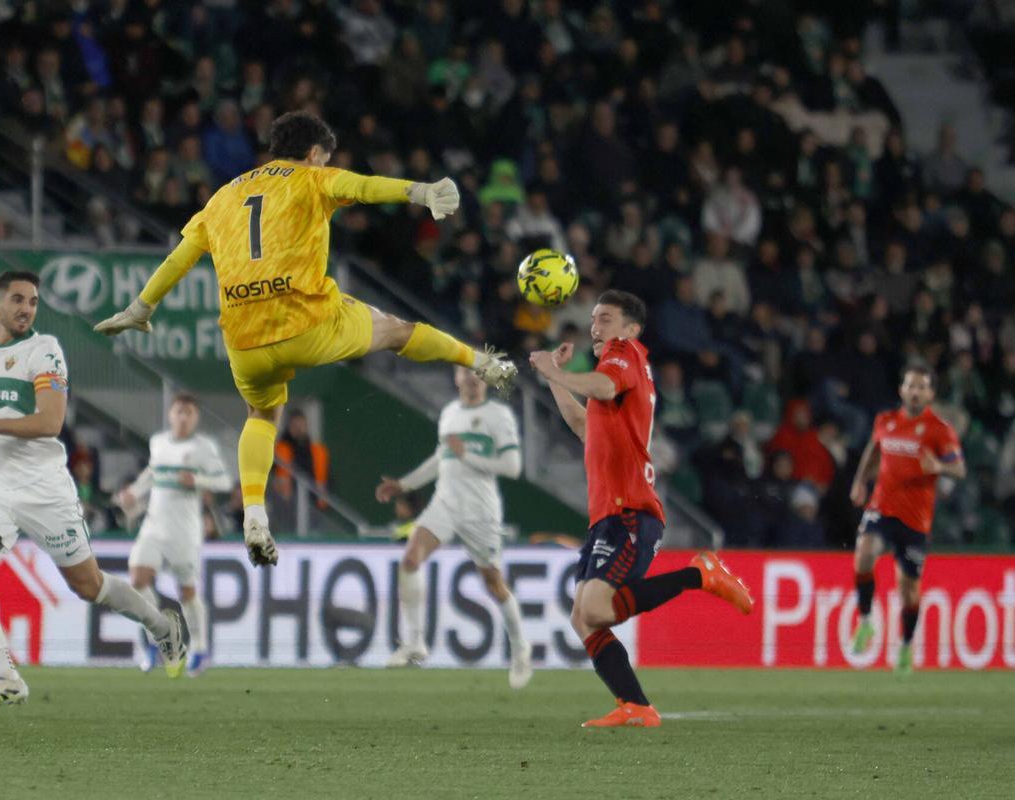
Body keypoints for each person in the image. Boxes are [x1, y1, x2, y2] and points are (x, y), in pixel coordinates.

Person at [94, 110, 517, 569]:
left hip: (245, 340)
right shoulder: (312, 179)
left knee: (262, 414)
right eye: (325, 159)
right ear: (314, 154)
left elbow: (179, 258)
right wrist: (420, 192)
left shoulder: (223, 196)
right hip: (307, 323)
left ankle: (254, 513)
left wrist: (141, 307)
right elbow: (364, 187)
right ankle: (481, 362)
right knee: (397, 330)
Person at [0, 270, 186, 711]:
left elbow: (50, 421)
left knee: (88, 585)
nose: (26, 308)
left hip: (44, 489)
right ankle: (6, 675)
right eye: (18, 300)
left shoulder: (45, 351)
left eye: (33, 301)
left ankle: (161, 626)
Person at [528, 290, 753, 728]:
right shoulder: (614, 377)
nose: (595, 327)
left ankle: (700, 574)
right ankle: (636, 706)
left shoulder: (624, 353)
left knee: (595, 610)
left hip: (628, 510)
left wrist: (556, 370)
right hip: (607, 516)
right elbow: (581, 424)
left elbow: (604, 385)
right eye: (594, 318)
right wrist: (554, 378)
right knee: (583, 618)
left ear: (631, 329)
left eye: (606, 319)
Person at [375, 366, 532, 688]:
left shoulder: (498, 415)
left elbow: (513, 467)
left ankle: (520, 648)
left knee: (493, 583)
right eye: (466, 371)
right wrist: (404, 485)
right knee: (410, 560)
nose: (473, 377)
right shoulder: (449, 413)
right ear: (457, 377)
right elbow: (440, 458)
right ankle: (415, 643)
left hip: (480, 511)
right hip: (445, 503)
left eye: (479, 372)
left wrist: (467, 456)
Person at [848, 364, 966, 675]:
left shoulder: (939, 430)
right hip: (882, 508)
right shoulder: (885, 421)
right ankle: (865, 621)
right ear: (902, 389)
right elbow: (874, 450)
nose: (915, 392)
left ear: (930, 394)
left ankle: (906, 645)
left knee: (908, 590)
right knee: (864, 554)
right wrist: (860, 481)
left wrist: (939, 467)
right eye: (910, 386)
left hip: (915, 520)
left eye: (921, 387)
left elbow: (959, 469)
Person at [118, 393, 231, 677]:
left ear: (196, 418)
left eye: (189, 413)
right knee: (137, 579)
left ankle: (200, 649)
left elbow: (224, 481)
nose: (183, 417)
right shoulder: (158, 442)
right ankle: (156, 641)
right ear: (170, 415)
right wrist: (134, 492)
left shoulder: (203, 447)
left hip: (185, 531)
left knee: (187, 593)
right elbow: (152, 472)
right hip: (154, 525)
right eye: (179, 411)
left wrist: (198, 480)